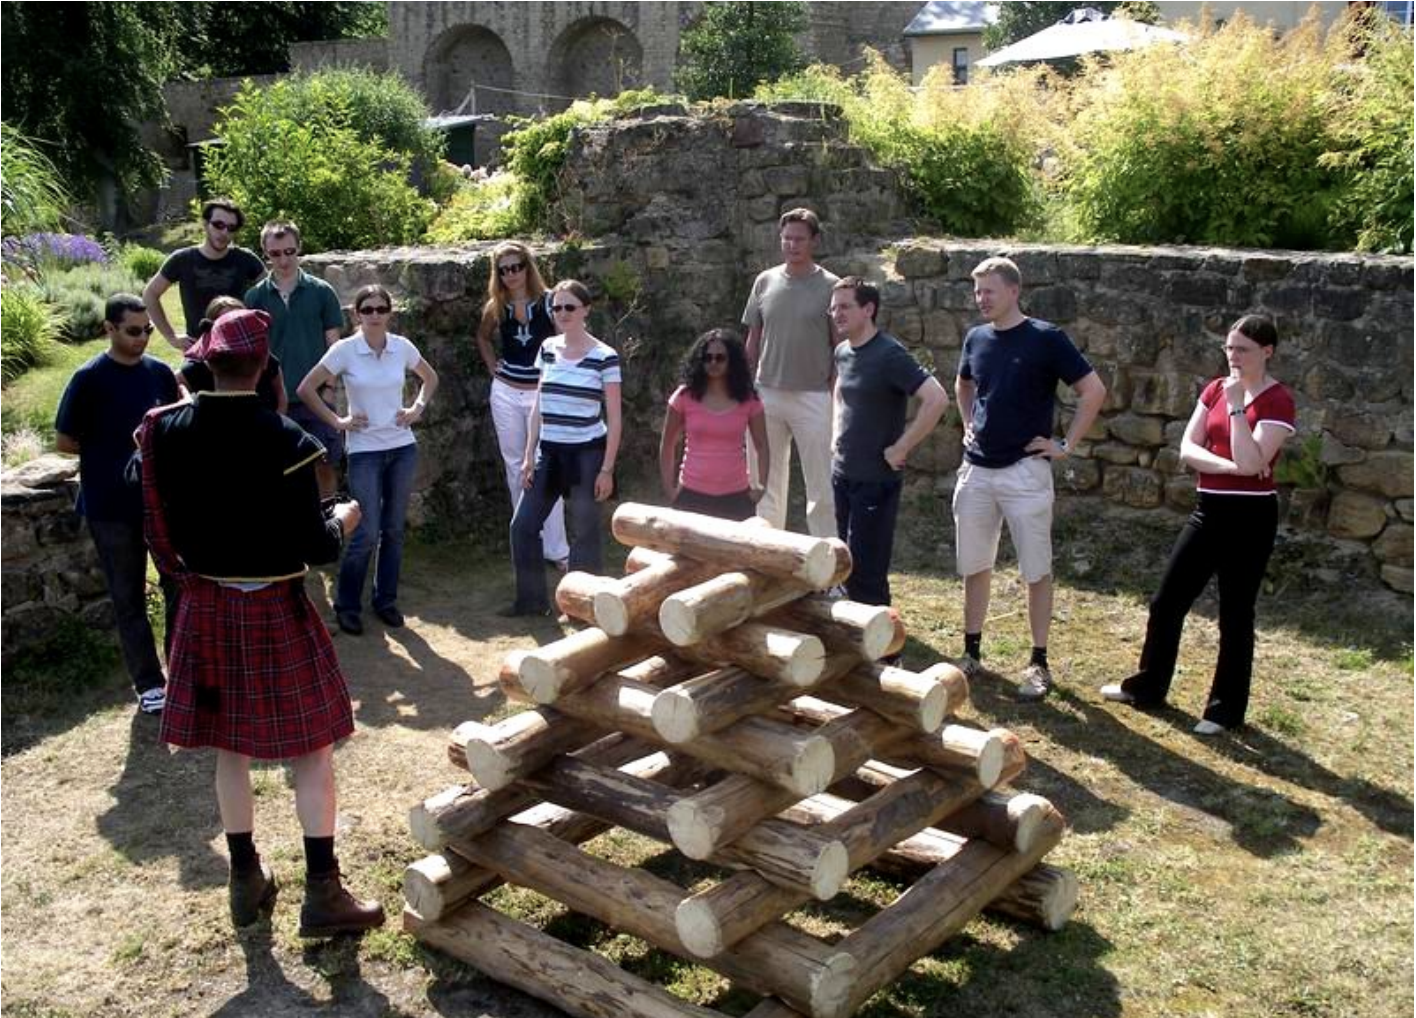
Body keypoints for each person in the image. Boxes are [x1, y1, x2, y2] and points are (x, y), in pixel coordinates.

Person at [136, 308, 384, 937]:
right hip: (273, 606)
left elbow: (152, 511)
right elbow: (318, 546)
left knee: (230, 750)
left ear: (208, 362)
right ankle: (322, 896)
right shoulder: (289, 443)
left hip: (206, 605)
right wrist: (347, 519)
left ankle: (244, 878)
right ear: (265, 364)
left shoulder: (165, 431)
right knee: (312, 751)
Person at [1101, 315, 1295, 735]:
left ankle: (1224, 711)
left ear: (1267, 352)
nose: (1233, 357)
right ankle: (1148, 687)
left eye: (1242, 349)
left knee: (1236, 613)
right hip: (1209, 509)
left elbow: (1254, 461)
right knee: (1166, 601)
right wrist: (1233, 466)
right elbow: (1189, 448)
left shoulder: (1278, 400)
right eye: (1229, 348)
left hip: (1251, 517)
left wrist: (1240, 407)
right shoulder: (1213, 390)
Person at [953, 256, 1106, 701]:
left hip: (1025, 472)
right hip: (977, 469)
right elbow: (963, 384)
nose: (981, 299)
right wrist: (966, 422)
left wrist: (1066, 445)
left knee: (1035, 569)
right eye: (977, 291)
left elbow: (1093, 390)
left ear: (1014, 291)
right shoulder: (975, 337)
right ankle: (972, 654)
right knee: (974, 564)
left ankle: (1038, 662)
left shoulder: (1046, 338)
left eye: (989, 291)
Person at [54, 293, 180, 715]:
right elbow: (65, 441)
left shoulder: (161, 373)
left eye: (147, 330)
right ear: (109, 329)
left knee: (178, 586)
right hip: (110, 506)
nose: (143, 337)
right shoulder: (88, 378)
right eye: (133, 331)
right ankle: (149, 683)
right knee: (128, 596)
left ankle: (181, 672)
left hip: (161, 501)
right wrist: (109, 452)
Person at [297, 285, 439, 636]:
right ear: (356, 314)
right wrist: (338, 422)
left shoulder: (401, 347)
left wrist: (417, 409)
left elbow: (430, 378)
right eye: (368, 309)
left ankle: (385, 601)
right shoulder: (345, 350)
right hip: (364, 452)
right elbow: (305, 389)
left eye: (381, 308)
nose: (375, 315)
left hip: (402, 447)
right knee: (366, 531)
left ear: (389, 313)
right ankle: (347, 605)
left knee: (393, 530)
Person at [829, 277, 949, 607]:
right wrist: (835, 432)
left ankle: (886, 653)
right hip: (842, 474)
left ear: (868, 309)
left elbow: (936, 399)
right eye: (833, 306)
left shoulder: (889, 354)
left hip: (876, 480)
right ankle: (852, 640)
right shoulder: (843, 351)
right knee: (842, 562)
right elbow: (839, 390)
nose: (836, 313)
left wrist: (902, 447)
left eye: (845, 306)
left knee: (867, 572)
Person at [505, 280, 622, 616]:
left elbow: (614, 418)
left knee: (584, 530)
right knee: (523, 526)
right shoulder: (548, 348)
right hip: (549, 453)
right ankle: (530, 602)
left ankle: (583, 606)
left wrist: (607, 469)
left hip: (587, 454)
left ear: (586, 310)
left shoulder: (604, 356)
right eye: (556, 307)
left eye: (570, 307)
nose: (562, 313)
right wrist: (529, 455)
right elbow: (538, 406)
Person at [742, 208, 840, 537]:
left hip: (814, 396)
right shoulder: (764, 281)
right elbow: (753, 339)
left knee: (821, 485)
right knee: (764, 482)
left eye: (799, 239)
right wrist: (746, 388)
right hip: (766, 393)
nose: (792, 245)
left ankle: (830, 568)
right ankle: (768, 559)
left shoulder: (831, 286)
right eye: (786, 238)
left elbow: (840, 347)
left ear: (814, 241)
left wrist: (832, 393)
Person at [474, 242, 570, 568]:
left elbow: (564, 339)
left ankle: (557, 549)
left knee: (546, 467)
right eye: (504, 270)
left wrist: (558, 376)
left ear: (528, 266)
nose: (512, 274)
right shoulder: (496, 306)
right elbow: (483, 337)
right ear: (497, 274)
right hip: (505, 392)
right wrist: (491, 366)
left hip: (540, 394)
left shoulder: (549, 302)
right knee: (516, 467)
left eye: (517, 267)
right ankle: (528, 543)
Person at [244, 221, 345, 497]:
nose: (284, 259)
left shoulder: (322, 291)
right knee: (280, 469)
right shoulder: (254, 297)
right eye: (275, 253)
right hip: (275, 398)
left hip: (317, 397)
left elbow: (334, 345)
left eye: (289, 251)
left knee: (325, 464)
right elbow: (253, 352)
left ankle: (330, 527)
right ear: (265, 253)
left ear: (299, 248)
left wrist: (329, 388)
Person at [659, 329, 769, 522]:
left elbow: (762, 446)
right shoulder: (684, 396)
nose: (713, 363)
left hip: (736, 498)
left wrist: (760, 488)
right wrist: (670, 490)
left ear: (732, 361)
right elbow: (668, 444)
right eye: (707, 358)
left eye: (720, 358)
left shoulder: (749, 399)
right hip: (691, 495)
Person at [143, 198, 266, 353]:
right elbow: (150, 294)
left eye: (231, 228)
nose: (224, 232)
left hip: (239, 350)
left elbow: (272, 292)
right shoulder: (183, 259)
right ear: (206, 224)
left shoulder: (246, 259)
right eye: (218, 225)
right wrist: (171, 337)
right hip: (197, 351)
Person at [178, 296, 287, 413]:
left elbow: (281, 394)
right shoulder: (198, 367)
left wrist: (277, 423)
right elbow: (174, 385)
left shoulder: (262, 357)